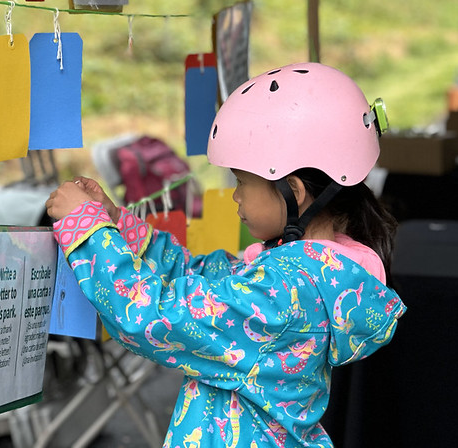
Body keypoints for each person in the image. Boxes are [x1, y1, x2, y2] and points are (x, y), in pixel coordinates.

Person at [46, 62, 406, 448]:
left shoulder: (284, 291)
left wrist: (86, 229)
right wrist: (117, 225)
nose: (235, 196)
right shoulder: (307, 273)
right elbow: (198, 279)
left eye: (241, 182)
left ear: (294, 191)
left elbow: (152, 316)